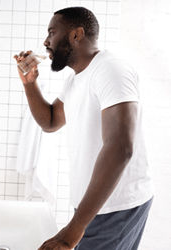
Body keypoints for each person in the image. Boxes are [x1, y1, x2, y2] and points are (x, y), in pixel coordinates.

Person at [14, 7, 154, 250]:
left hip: (116, 206)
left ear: (76, 34)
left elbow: (120, 148)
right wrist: (29, 83)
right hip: (98, 204)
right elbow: (49, 121)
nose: (46, 41)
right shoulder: (77, 79)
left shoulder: (111, 70)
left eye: (52, 32)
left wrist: (74, 229)